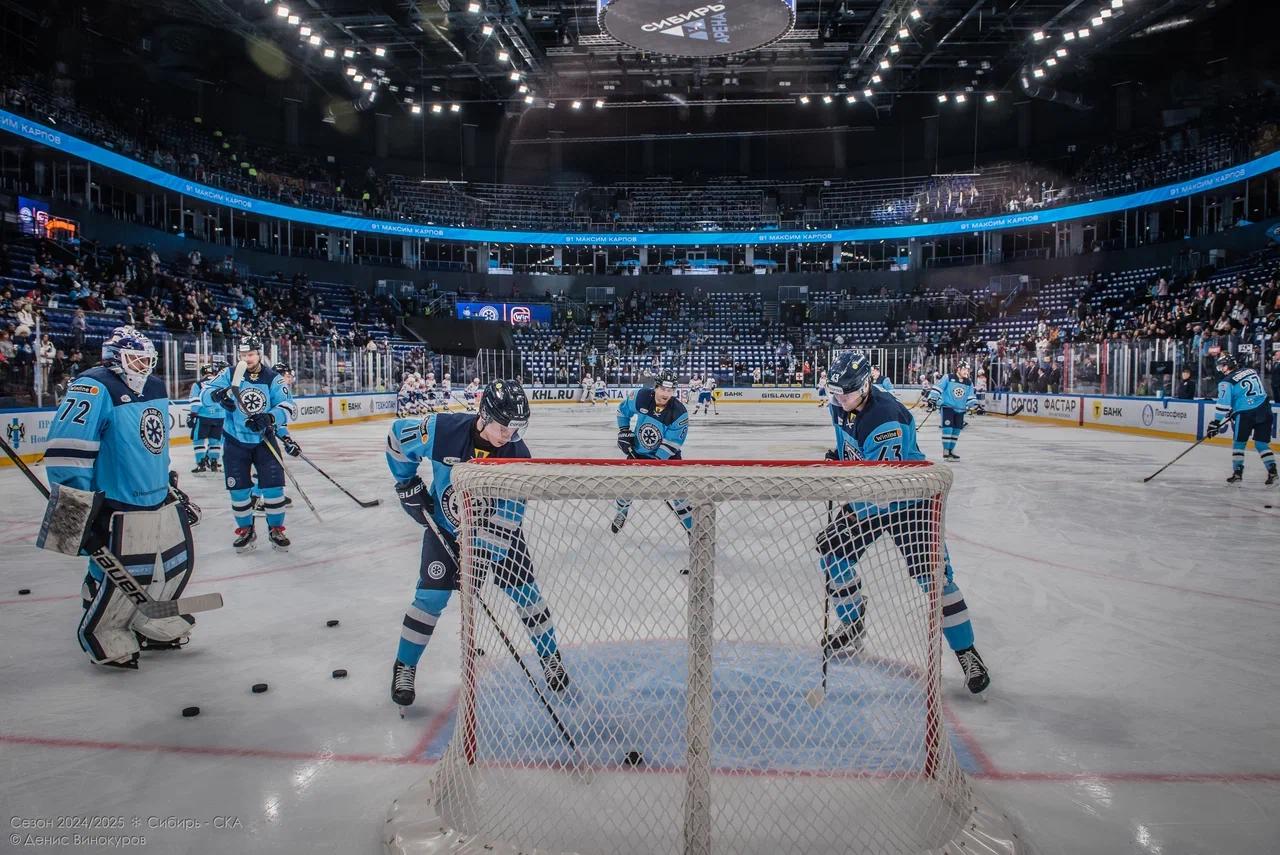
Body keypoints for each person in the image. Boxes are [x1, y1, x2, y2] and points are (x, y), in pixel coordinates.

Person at [385, 379, 568, 709]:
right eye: (503, 427)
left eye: (515, 429)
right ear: (484, 415)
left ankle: (550, 658)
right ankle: (405, 666)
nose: (507, 436)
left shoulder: (517, 455)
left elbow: (509, 517)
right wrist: (406, 483)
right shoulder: (442, 430)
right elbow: (398, 437)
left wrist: (479, 559)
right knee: (430, 597)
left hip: (498, 535)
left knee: (527, 595)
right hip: (446, 530)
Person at [820, 351, 990, 694]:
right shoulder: (841, 403)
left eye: (847, 393)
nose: (840, 399)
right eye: (835, 393)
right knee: (832, 555)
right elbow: (851, 446)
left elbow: (881, 487)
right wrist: (840, 457)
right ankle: (853, 623)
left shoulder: (884, 418)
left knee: (935, 577)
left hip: (909, 501)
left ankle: (967, 653)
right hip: (868, 496)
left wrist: (847, 494)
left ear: (866, 385)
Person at [40, 326, 198, 668]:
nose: (143, 366)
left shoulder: (155, 387)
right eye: (135, 359)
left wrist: (168, 483)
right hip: (116, 499)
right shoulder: (93, 385)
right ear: (114, 358)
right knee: (120, 569)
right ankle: (103, 626)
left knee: (172, 564)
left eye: (147, 359)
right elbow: (67, 453)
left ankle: (145, 619)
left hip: (154, 496)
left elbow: (154, 445)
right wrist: (77, 513)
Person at [201, 337, 297, 552]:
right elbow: (204, 394)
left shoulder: (273, 378)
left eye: (251, 355)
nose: (247, 359)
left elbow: (288, 406)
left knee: (273, 489)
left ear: (259, 354)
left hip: (264, 441)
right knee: (239, 491)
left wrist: (270, 418)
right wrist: (216, 395)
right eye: (243, 355)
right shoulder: (229, 373)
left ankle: (276, 529)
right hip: (235, 442)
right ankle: (245, 530)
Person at [611, 370, 692, 537]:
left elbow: (672, 443)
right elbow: (622, 411)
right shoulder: (641, 397)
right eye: (663, 389)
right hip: (638, 453)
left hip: (668, 458)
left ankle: (692, 529)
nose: (666, 394)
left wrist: (656, 462)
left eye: (670, 391)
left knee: (680, 494)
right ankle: (621, 512)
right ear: (655, 387)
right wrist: (624, 432)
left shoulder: (679, 412)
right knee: (626, 487)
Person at [1207, 354, 1276, 485]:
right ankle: (1273, 471)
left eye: (1223, 366)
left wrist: (1216, 423)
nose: (1221, 369)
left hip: (1245, 414)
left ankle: (1238, 472)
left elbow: (1223, 405)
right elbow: (1247, 392)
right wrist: (1235, 408)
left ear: (1229, 365)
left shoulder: (1226, 382)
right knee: (1261, 444)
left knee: (1239, 443)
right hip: (1265, 409)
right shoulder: (1251, 370)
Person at [926, 361, 981, 461]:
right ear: (958, 369)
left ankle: (951, 450)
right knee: (948, 429)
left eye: (967, 370)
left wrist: (974, 405)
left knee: (956, 430)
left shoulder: (968, 382)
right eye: (964, 369)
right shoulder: (948, 377)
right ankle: (946, 451)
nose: (966, 372)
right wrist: (933, 398)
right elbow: (939, 387)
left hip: (960, 409)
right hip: (948, 407)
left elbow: (970, 396)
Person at [189, 365, 226, 474]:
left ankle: (201, 464)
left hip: (204, 416)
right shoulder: (220, 384)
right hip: (220, 417)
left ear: (202, 373)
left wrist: (193, 414)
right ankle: (214, 463)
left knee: (198, 440)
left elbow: (195, 400)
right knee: (215, 441)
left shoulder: (198, 384)